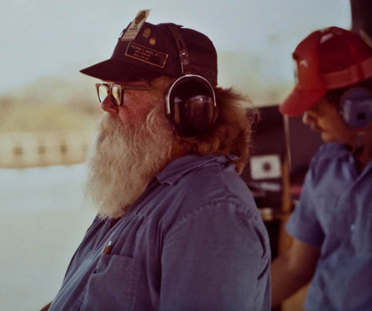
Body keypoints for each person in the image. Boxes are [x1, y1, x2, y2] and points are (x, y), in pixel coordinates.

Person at [42, 11, 271, 311]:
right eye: (107, 89)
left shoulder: (210, 212)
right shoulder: (137, 191)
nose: (106, 104)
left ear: (185, 106)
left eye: (122, 91)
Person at [272, 26, 372, 310]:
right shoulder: (325, 164)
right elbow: (295, 265)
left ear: (357, 106)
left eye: (315, 109)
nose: (306, 120)